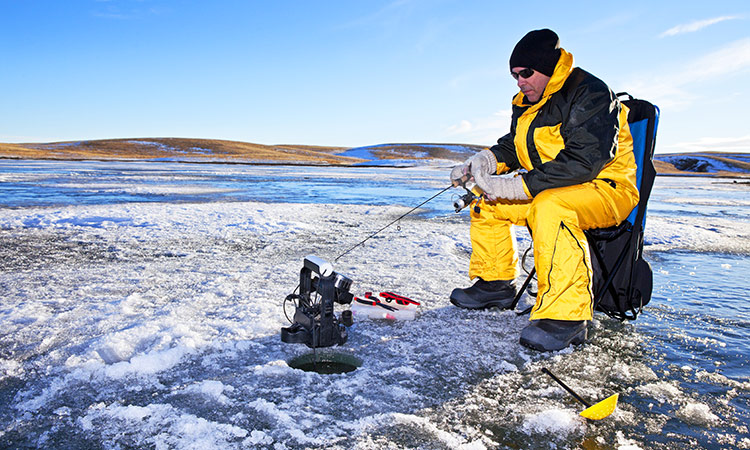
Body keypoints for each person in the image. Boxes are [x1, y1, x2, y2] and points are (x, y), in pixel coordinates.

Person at [449, 29, 639, 352]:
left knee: (550, 207)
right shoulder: (527, 103)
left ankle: (566, 317)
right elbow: (515, 146)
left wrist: (518, 185)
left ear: (548, 67)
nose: (519, 81)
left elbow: (582, 162)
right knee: (486, 202)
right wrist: (483, 163)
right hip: (554, 187)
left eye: (526, 73)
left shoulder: (589, 92)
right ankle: (495, 283)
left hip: (606, 189)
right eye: (514, 76)